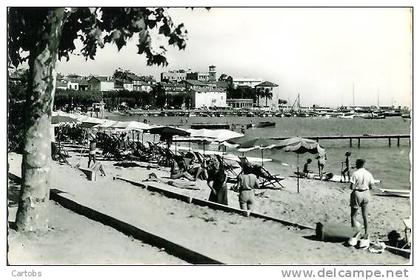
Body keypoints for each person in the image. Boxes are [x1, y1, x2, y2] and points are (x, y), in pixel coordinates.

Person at [349, 159, 375, 237]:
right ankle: (366, 233)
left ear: (357, 165)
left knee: (353, 216)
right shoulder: (368, 173)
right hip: (366, 193)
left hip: (357, 193)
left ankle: (354, 234)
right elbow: (371, 186)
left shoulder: (355, 173)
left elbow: (351, 186)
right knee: (365, 215)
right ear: (364, 165)